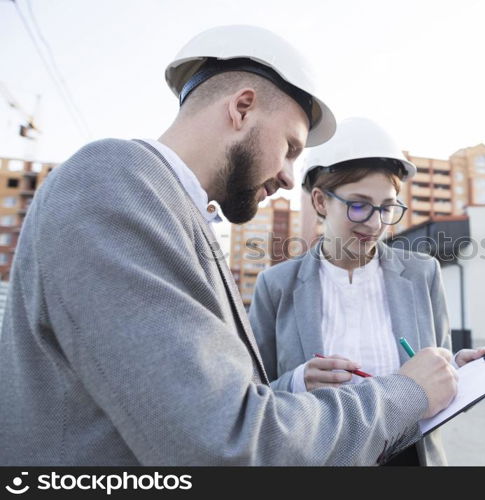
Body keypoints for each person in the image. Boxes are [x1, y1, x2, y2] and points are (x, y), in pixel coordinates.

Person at [0, 26, 458, 466]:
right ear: (242, 109)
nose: (287, 177)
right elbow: (229, 444)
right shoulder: (112, 183)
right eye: (291, 147)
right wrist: (406, 391)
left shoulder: (174, 211)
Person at [249, 117, 485, 465]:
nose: (375, 223)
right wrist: (294, 382)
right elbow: (250, 399)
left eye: (387, 207)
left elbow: (438, 364)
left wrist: (458, 367)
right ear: (321, 202)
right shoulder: (276, 285)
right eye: (359, 204)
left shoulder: (422, 274)